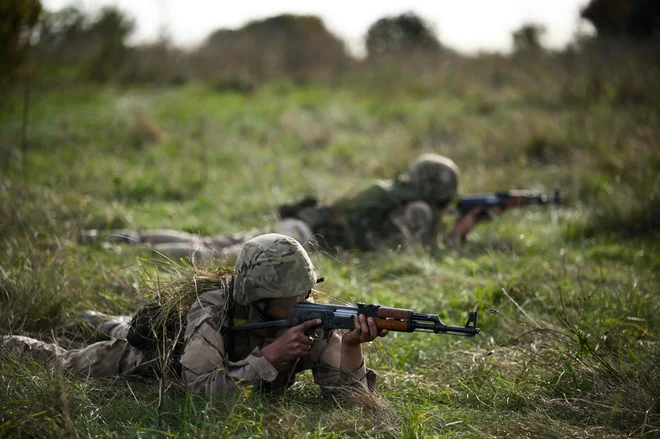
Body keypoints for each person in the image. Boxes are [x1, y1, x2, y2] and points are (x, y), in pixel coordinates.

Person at [1, 234, 386, 397]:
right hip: (157, 358)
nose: (303, 301)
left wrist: (351, 347)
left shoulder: (310, 317)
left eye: (304, 292)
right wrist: (268, 358)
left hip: (203, 348)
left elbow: (346, 395)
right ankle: (14, 343)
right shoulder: (213, 309)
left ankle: (101, 317)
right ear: (258, 298)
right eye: (288, 298)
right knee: (68, 361)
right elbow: (200, 387)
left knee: (115, 324)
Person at [80, 153, 497, 260]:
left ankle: (122, 238)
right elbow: (413, 253)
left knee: (209, 242)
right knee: (211, 256)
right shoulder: (419, 211)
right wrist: (458, 236)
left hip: (297, 224)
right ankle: (118, 246)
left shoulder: (392, 189)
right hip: (300, 238)